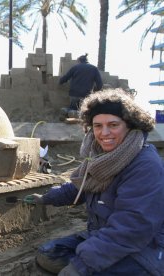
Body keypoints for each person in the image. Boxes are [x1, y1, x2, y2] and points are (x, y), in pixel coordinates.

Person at [25, 88, 164, 275]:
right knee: (48, 255)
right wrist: (47, 197)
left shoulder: (144, 165)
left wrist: (81, 267)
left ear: (130, 125)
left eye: (113, 125)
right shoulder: (101, 156)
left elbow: (132, 227)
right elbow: (82, 186)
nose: (104, 133)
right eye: (98, 126)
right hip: (102, 234)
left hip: (143, 248)